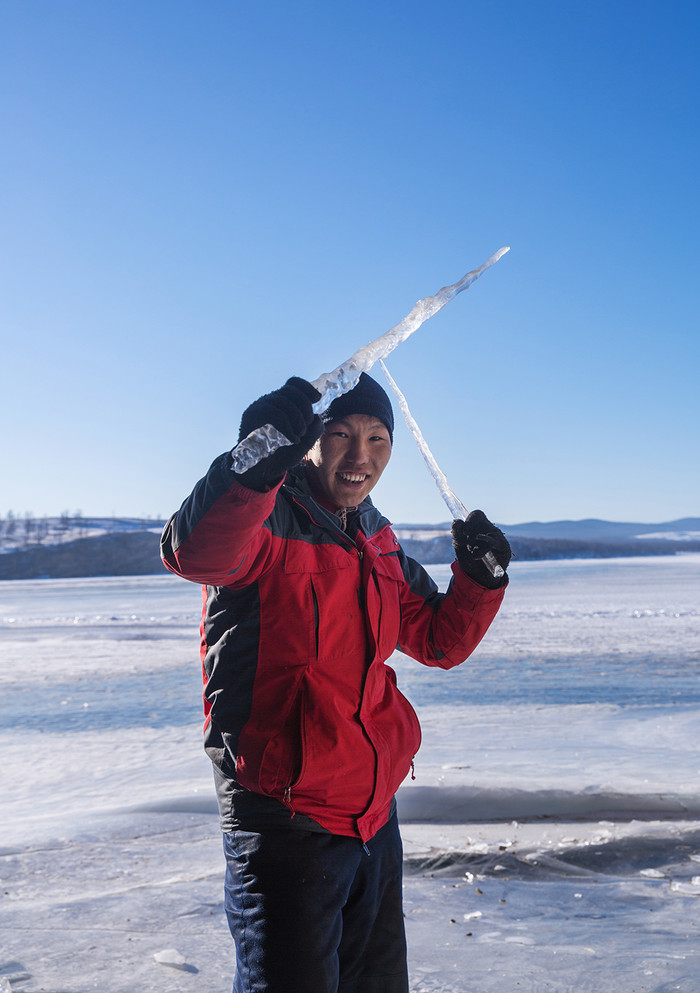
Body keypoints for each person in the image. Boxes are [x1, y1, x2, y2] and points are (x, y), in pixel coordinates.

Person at [160, 372, 511, 993]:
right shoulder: (264, 521)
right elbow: (197, 553)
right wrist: (249, 467)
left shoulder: (374, 536)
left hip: (374, 815)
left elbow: (436, 639)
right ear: (309, 443)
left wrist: (480, 581)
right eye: (341, 434)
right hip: (285, 819)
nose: (361, 457)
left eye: (378, 439)